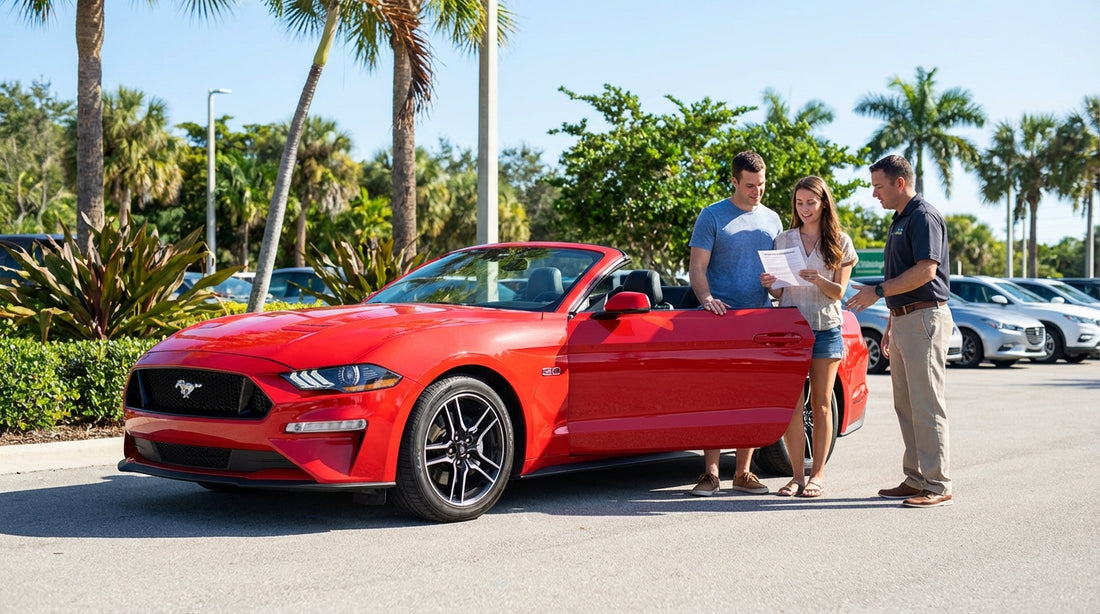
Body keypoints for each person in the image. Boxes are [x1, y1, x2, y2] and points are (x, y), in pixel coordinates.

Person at [845, 154, 954, 508]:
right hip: (906, 319)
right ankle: (916, 478)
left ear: (900, 183)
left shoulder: (923, 216)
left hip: (925, 319)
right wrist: (892, 322)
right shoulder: (900, 219)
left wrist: (877, 291)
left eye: (879, 186)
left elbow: (925, 271)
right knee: (906, 405)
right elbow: (903, 276)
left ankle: (938, 485)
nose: (874, 193)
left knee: (927, 404)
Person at [687, 150, 782, 497]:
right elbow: (697, 267)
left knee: (751, 398)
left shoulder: (772, 219)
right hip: (719, 320)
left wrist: (775, 286)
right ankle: (711, 474)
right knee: (715, 397)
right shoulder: (712, 215)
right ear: (734, 182)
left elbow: (776, 274)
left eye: (762, 184)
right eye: (750, 185)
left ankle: (743, 473)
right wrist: (706, 299)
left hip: (757, 321)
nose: (757, 191)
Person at [760, 176, 857, 498]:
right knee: (792, 404)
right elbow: (779, 292)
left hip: (826, 328)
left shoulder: (840, 242)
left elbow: (838, 292)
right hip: (790, 330)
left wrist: (818, 279)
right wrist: (770, 284)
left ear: (824, 203)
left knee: (821, 404)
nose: (804, 209)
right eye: (799, 203)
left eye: (811, 202)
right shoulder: (783, 240)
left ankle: (817, 475)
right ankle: (796, 477)